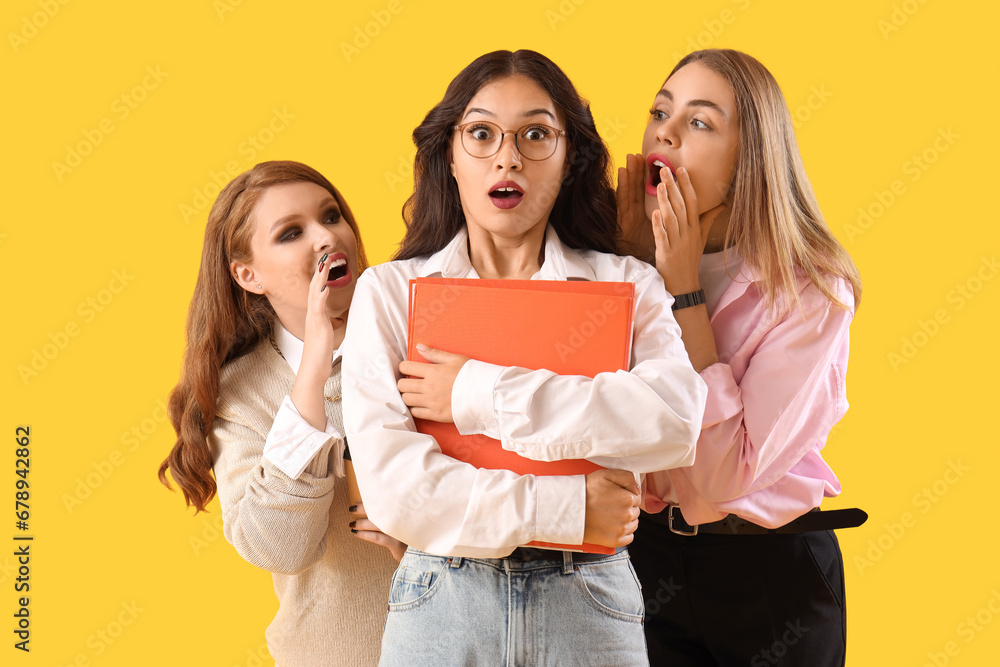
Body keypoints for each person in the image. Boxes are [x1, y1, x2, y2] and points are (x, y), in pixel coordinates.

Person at [341, 49, 707, 667]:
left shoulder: (626, 285)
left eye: (537, 134)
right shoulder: (388, 293)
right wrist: (570, 507)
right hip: (442, 602)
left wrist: (474, 395)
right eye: (481, 134)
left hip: (589, 604)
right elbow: (396, 493)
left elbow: (673, 422)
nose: (507, 156)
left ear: (569, 161)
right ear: (449, 159)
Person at [616, 49, 863, 666]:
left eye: (699, 122)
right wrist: (623, 271)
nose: (664, 133)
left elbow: (725, 479)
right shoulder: (627, 256)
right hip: (646, 561)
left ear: (749, 156)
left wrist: (683, 295)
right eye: (659, 112)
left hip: (770, 573)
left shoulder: (812, 291)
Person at [158, 160, 403, 667]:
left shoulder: (414, 340)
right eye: (291, 232)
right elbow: (278, 548)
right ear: (248, 275)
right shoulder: (239, 393)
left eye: (332, 216)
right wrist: (312, 374)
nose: (326, 237)